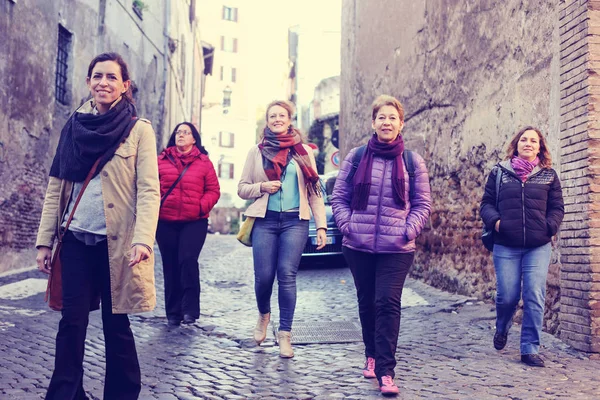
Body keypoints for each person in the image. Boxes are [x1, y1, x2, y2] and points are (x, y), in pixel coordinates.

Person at [35, 52, 160, 400]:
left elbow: (150, 190)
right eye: (97, 76)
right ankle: (65, 395)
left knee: (115, 324)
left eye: (110, 77)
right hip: (74, 239)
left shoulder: (139, 131)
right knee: (71, 322)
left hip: (116, 245)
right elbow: (55, 187)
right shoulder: (73, 127)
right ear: (88, 82)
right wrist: (45, 242)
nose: (103, 82)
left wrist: (143, 240)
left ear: (124, 85)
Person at [331, 94, 431, 396]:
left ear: (401, 123)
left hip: (396, 247)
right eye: (381, 117)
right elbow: (339, 197)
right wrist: (348, 226)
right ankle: (371, 355)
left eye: (392, 117)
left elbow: (423, 204)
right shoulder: (357, 157)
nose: (387, 122)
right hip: (358, 245)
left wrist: (407, 229)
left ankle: (387, 372)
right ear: (373, 122)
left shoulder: (413, 161)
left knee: (387, 302)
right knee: (367, 303)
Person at [238, 100, 327, 358]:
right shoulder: (256, 151)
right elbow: (242, 187)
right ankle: (264, 314)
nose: (277, 119)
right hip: (264, 221)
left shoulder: (303, 152)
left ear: (290, 119)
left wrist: (320, 225)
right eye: (272, 116)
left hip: (295, 221)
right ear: (267, 121)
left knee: (287, 275)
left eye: (282, 115)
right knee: (264, 277)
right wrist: (261, 188)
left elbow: (314, 192)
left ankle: (285, 334)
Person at [480, 126, 564, 368]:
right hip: (506, 244)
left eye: (534, 141)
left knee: (534, 294)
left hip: (538, 245)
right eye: (524, 140)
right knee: (507, 296)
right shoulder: (500, 173)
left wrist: (549, 227)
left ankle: (529, 348)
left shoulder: (548, 175)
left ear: (540, 147)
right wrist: (496, 222)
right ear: (516, 144)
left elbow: (557, 207)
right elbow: (486, 203)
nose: (529, 143)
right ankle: (502, 326)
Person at [156, 122, 220, 327]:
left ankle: (190, 310)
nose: (181, 135)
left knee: (187, 260)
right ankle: (173, 312)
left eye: (186, 132)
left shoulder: (204, 162)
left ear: (194, 139)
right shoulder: (161, 160)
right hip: (165, 221)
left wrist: (201, 207)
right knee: (170, 264)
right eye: (178, 132)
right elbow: (149, 186)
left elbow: (213, 190)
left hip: (194, 221)